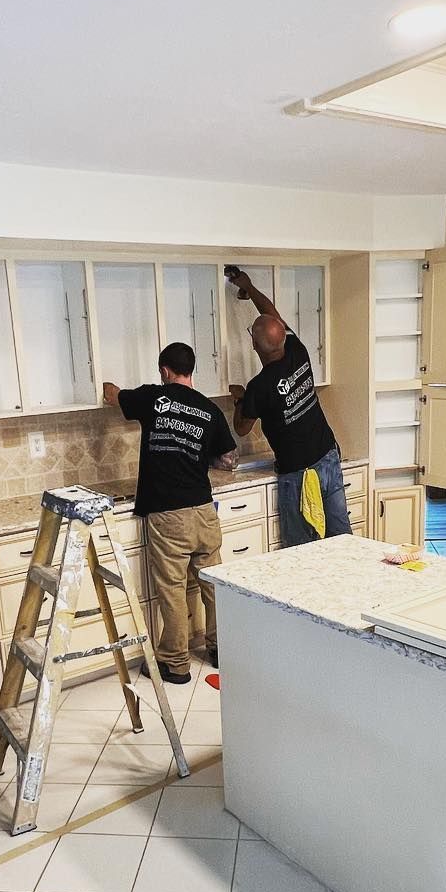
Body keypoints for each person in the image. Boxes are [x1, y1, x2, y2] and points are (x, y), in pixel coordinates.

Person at [103, 341, 238, 684]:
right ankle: (221, 650)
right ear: (192, 370)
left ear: (165, 371)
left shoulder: (151, 397)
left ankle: (176, 664)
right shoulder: (210, 409)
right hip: (204, 510)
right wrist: (193, 452)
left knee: (173, 589)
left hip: (168, 515)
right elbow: (228, 460)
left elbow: (113, 396)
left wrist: (106, 385)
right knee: (213, 584)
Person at [226, 267, 352, 547]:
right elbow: (272, 313)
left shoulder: (259, 387)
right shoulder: (298, 350)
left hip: (297, 472)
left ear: (254, 345)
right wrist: (250, 287)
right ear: (283, 336)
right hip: (327, 455)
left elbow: (242, 428)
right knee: (341, 538)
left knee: (299, 548)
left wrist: (240, 399)